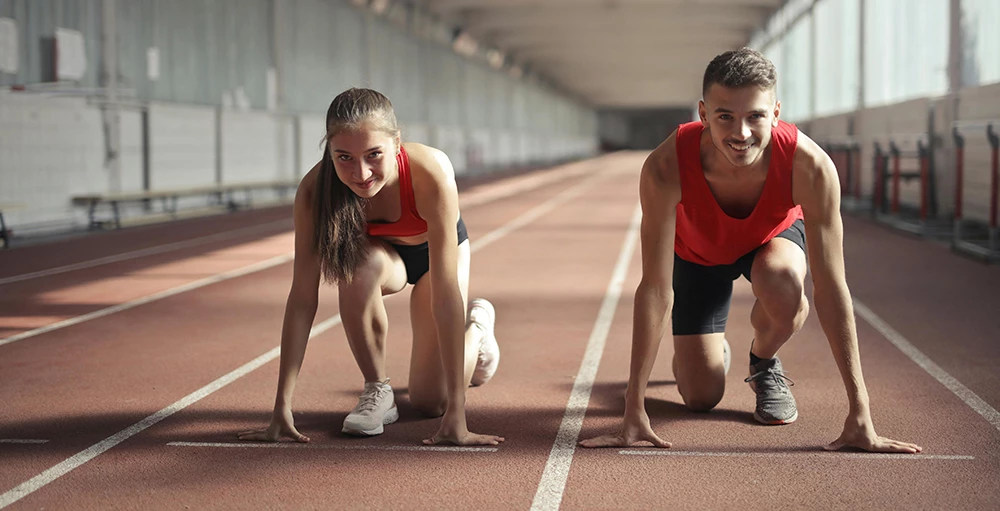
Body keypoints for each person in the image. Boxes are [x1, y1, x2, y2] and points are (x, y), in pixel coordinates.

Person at [579, 48, 921, 453]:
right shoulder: (665, 166)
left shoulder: (810, 167)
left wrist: (860, 411)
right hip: (697, 254)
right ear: (703, 114)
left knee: (785, 285)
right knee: (700, 397)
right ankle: (706, 352)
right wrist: (633, 410)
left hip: (769, 242)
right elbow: (654, 288)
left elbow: (831, 288)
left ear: (775, 113)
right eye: (725, 116)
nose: (741, 133)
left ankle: (763, 360)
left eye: (755, 116)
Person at [239, 88, 503, 446]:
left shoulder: (431, 172)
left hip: (435, 255)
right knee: (356, 268)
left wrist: (458, 414)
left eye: (373, 155)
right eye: (344, 157)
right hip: (382, 258)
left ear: (396, 143)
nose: (360, 173)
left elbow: (445, 296)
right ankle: (378, 391)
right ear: (329, 150)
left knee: (431, 402)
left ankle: (478, 330)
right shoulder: (315, 192)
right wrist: (281, 407)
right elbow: (302, 298)